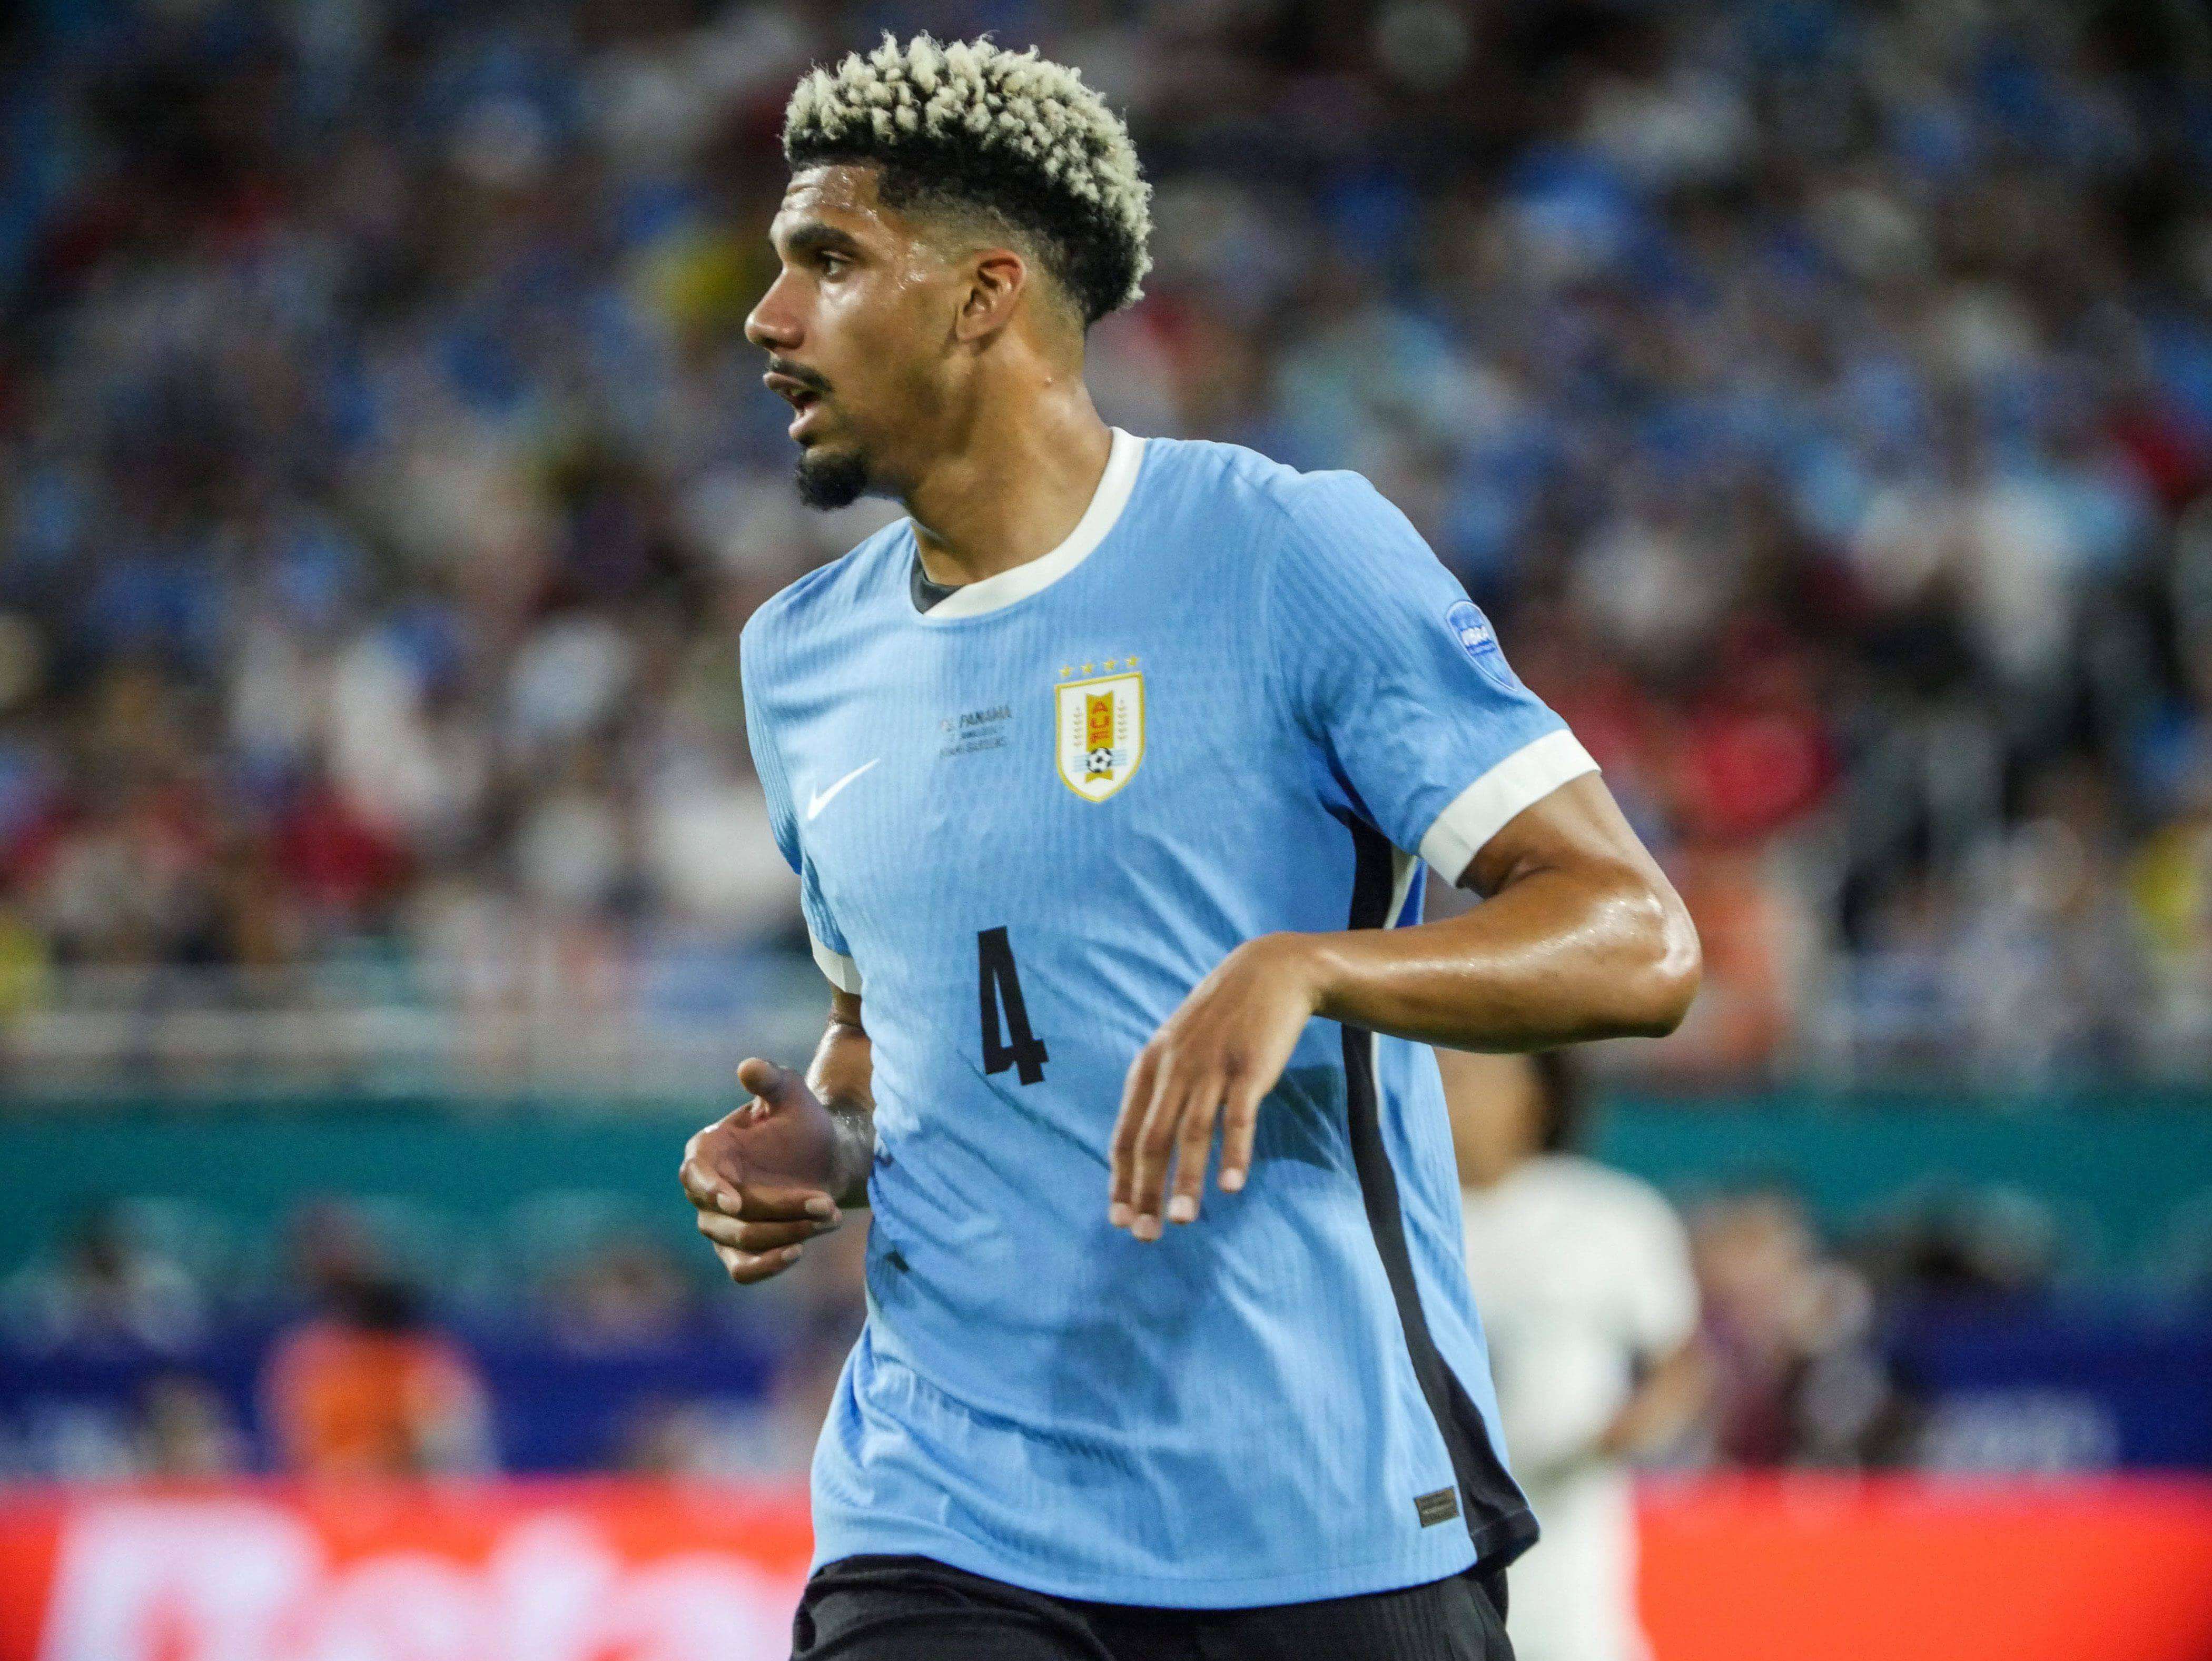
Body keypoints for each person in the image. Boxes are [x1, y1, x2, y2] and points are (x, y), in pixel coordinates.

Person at [677, 34, 1701, 1661]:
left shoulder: (1287, 551)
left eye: (826, 261)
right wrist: (829, 1142)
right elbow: (890, 1030)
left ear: (982, 294)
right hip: (942, 1518)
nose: (766, 317)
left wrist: (1307, 967)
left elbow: (1637, 939)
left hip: (1313, 1513)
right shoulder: (797, 659)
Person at [1446, 1050, 1706, 1661]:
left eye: (1469, 1078)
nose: (1449, 1096)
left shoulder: (1609, 1215)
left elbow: (1679, 1358)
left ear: (1534, 1097)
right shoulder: (1395, 1218)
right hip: (1436, 1541)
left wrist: (1625, 1431)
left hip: (1566, 1542)